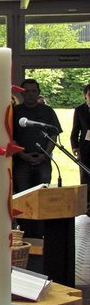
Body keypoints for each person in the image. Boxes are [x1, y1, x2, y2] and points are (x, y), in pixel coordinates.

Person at [12, 78, 62, 237]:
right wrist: (23, 155)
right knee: (23, 197)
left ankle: (41, 233)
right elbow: (9, 136)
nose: (30, 95)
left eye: (34, 91)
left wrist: (44, 155)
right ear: (21, 93)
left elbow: (53, 135)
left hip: (43, 161)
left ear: (38, 93)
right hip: (22, 161)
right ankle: (25, 233)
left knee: (42, 196)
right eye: (27, 91)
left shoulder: (47, 111)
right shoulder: (15, 112)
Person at [70, 84, 90, 213]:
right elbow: (75, 130)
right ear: (85, 96)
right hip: (85, 148)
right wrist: (75, 146)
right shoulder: (79, 110)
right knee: (85, 177)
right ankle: (86, 205)